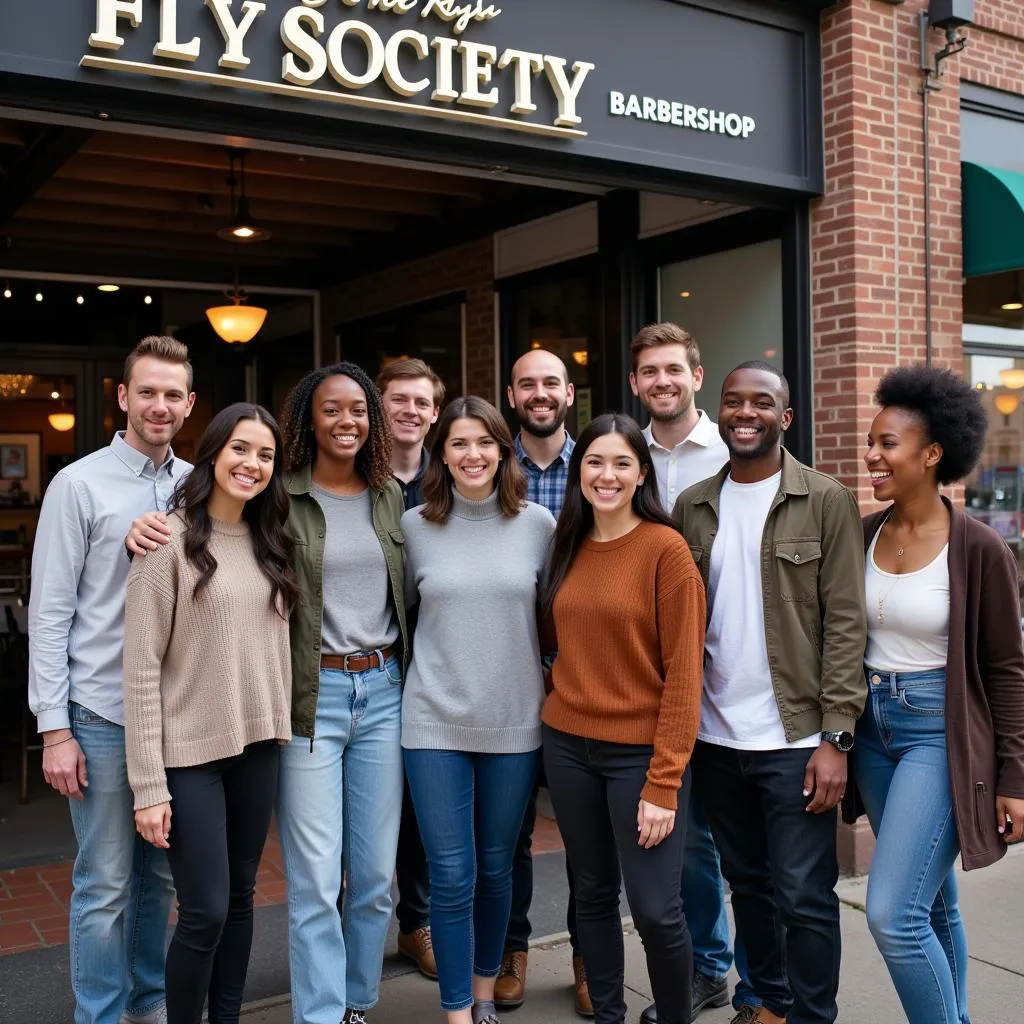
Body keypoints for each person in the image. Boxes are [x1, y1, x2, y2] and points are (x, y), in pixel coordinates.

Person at [673, 362, 867, 1024]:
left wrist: (836, 737)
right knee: (748, 885)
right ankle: (772, 1006)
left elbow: (847, 626)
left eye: (763, 402)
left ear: (785, 418)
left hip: (797, 738)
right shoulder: (692, 506)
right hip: (715, 737)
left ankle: (814, 1016)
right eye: (734, 401)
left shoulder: (827, 500)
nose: (745, 411)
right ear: (719, 412)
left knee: (805, 895)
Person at [848, 366, 1024, 1024]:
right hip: (874, 731)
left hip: (938, 733)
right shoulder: (862, 532)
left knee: (893, 915)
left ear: (931, 453)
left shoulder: (978, 548)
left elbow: (1007, 670)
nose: (872, 454)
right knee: (935, 905)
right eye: (872, 441)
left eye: (887, 443)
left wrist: (1015, 777)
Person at [28, 335, 195, 1024]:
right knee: (104, 885)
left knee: (158, 877)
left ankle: (148, 1004)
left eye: (172, 395)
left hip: (174, 716)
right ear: (123, 398)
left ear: (188, 405)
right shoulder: (80, 484)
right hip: (98, 713)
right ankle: (99, 1015)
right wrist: (54, 728)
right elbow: (49, 611)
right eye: (146, 392)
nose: (159, 405)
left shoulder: (198, 484)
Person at [123, 403, 297, 1024]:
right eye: (241, 449)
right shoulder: (164, 542)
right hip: (188, 757)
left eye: (266, 455)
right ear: (214, 453)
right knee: (206, 910)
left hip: (257, 749)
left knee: (244, 899)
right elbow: (140, 672)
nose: (253, 464)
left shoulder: (270, 541)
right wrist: (148, 787)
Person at [542, 413, 706, 1024]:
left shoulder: (666, 552)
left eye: (620, 463)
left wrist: (664, 782)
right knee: (591, 893)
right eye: (593, 462)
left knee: (657, 910)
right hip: (566, 745)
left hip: (641, 756)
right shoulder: (566, 542)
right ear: (577, 470)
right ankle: (608, 1016)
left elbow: (685, 676)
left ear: (641, 473)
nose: (606, 475)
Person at [401, 395, 555, 1024]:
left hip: (516, 719)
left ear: (504, 449)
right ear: (442, 451)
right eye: (459, 443)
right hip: (433, 718)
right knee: (451, 872)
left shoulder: (539, 525)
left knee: (496, 869)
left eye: (485, 442)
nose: (473, 455)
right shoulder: (413, 527)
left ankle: (487, 994)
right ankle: (457, 1010)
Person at [278, 363, 409, 1024]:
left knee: (375, 880)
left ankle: (357, 1001)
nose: (348, 421)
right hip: (312, 698)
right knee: (314, 881)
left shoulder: (390, 496)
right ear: (309, 419)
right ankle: (321, 1015)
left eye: (359, 409)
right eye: (333, 410)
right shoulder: (279, 495)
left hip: (384, 691)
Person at [628, 324, 751, 1023]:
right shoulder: (616, 453)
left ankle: (758, 980)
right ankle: (710, 968)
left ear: (696, 376)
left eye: (673, 369)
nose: (662, 381)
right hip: (646, 677)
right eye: (649, 372)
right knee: (688, 839)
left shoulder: (734, 448)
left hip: (730, 671)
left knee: (738, 841)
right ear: (636, 383)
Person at [498, 348, 590, 1015]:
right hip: (506, 678)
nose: (539, 393)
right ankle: (512, 953)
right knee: (509, 832)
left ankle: (589, 959)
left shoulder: (598, 465)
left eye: (550, 383)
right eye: (528, 383)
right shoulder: (490, 469)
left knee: (587, 835)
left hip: (582, 680)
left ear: (569, 392)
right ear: (511, 394)